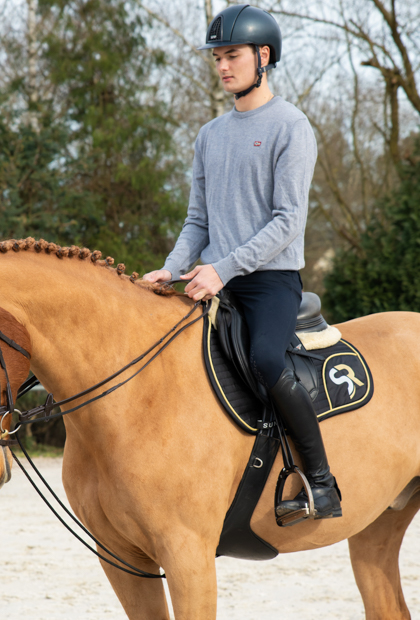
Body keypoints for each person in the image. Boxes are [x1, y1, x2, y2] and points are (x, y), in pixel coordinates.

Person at [143, 4, 342, 522]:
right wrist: (171, 267)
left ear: (263, 56)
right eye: (217, 58)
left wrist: (222, 269)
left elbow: (286, 223)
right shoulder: (210, 135)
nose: (222, 66)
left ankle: (321, 483)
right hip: (214, 280)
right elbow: (197, 222)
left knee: (267, 362)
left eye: (231, 55)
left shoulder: (291, 127)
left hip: (269, 281)